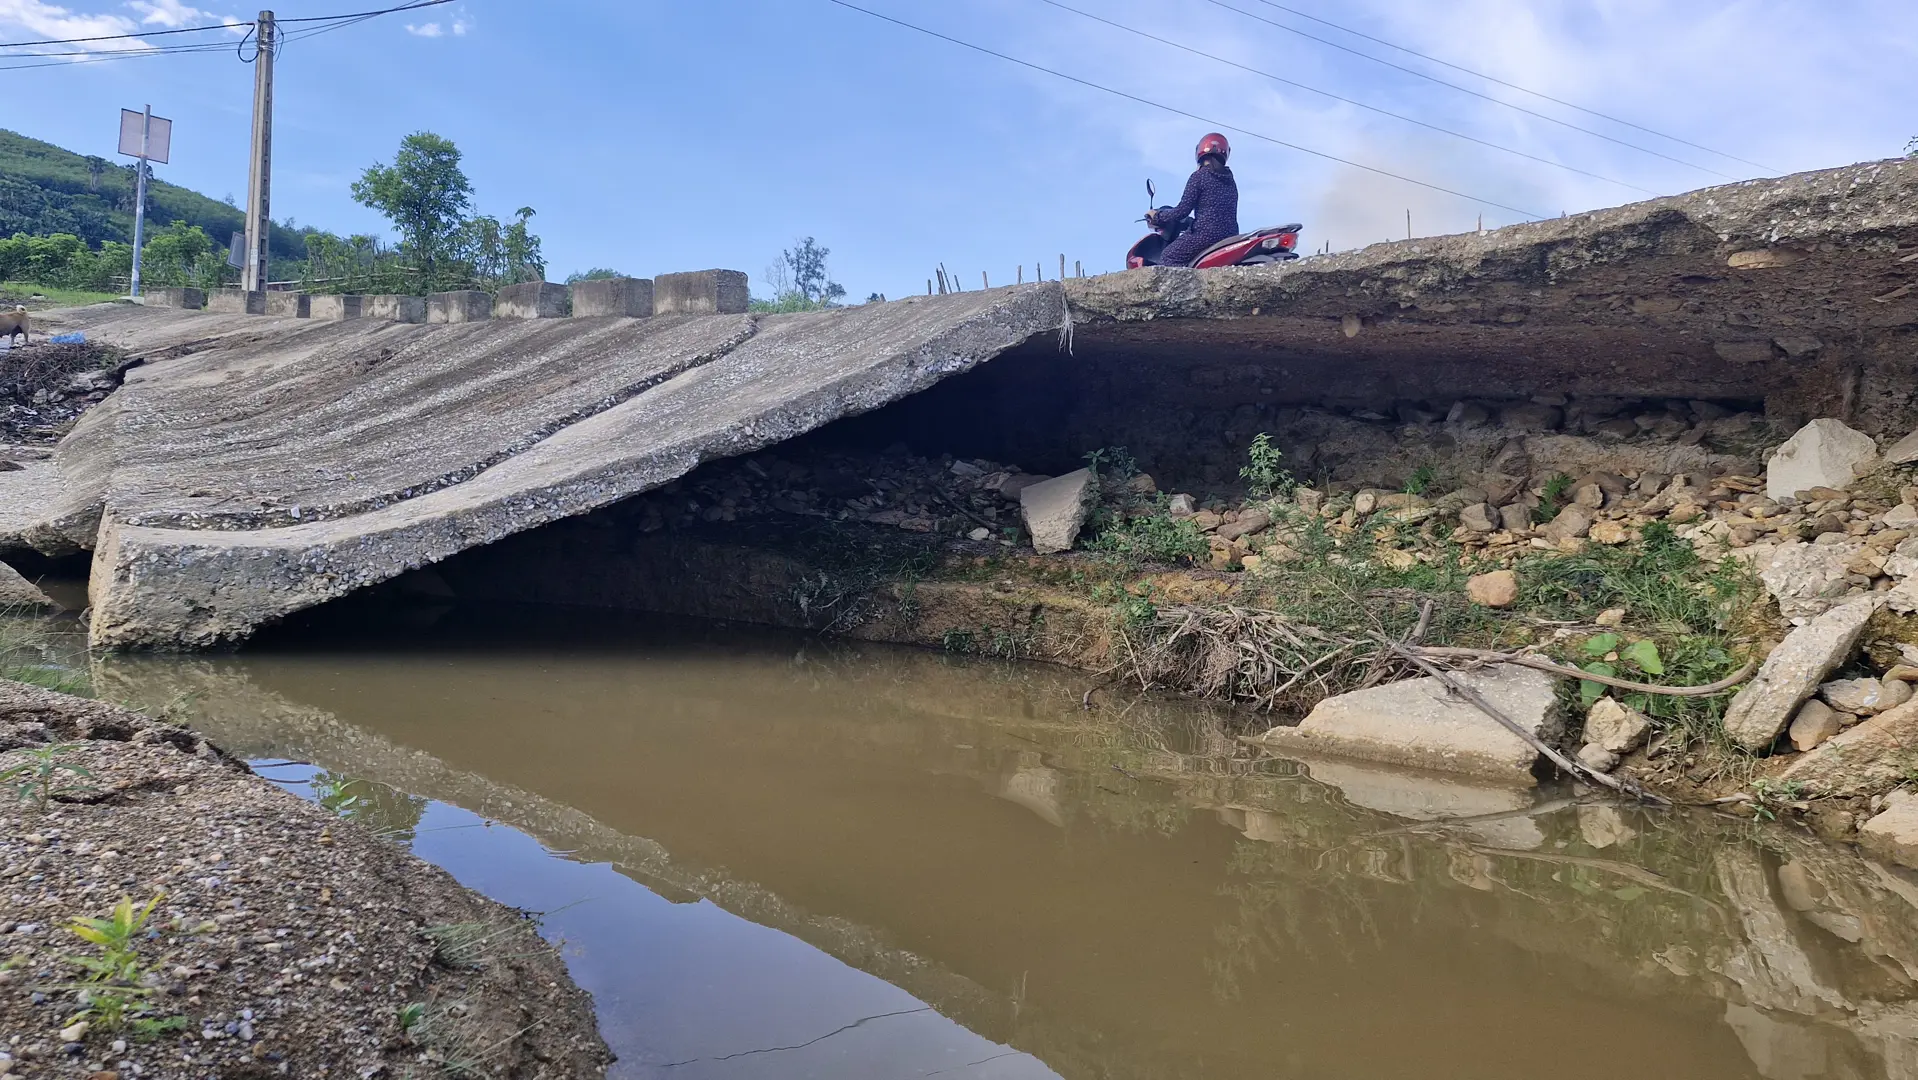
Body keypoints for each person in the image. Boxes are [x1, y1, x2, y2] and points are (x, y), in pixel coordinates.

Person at [1149, 133, 1240, 267]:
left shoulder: (1199, 176)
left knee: (1169, 256)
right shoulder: (1230, 181)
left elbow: (1182, 211)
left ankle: (1180, 288)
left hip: (1205, 234)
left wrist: (1157, 217)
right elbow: (1217, 211)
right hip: (1230, 236)